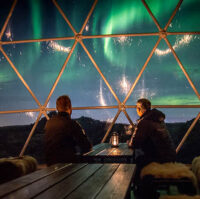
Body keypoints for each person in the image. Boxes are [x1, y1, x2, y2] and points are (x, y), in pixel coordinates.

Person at [128, 98, 176, 198]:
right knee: (141, 158)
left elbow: (135, 143)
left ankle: (144, 193)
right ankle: (148, 191)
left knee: (138, 161)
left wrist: (129, 142)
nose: (136, 110)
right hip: (169, 156)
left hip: (159, 158)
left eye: (137, 107)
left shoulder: (145, 122)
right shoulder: (157, 119)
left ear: (140, 109)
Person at [44, 95, 92, 166]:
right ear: (70, 107)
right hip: (67, 166)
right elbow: (86, 146)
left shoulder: (48, 123)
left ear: (57, 108)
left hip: (50, 165)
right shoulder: (72, 124)